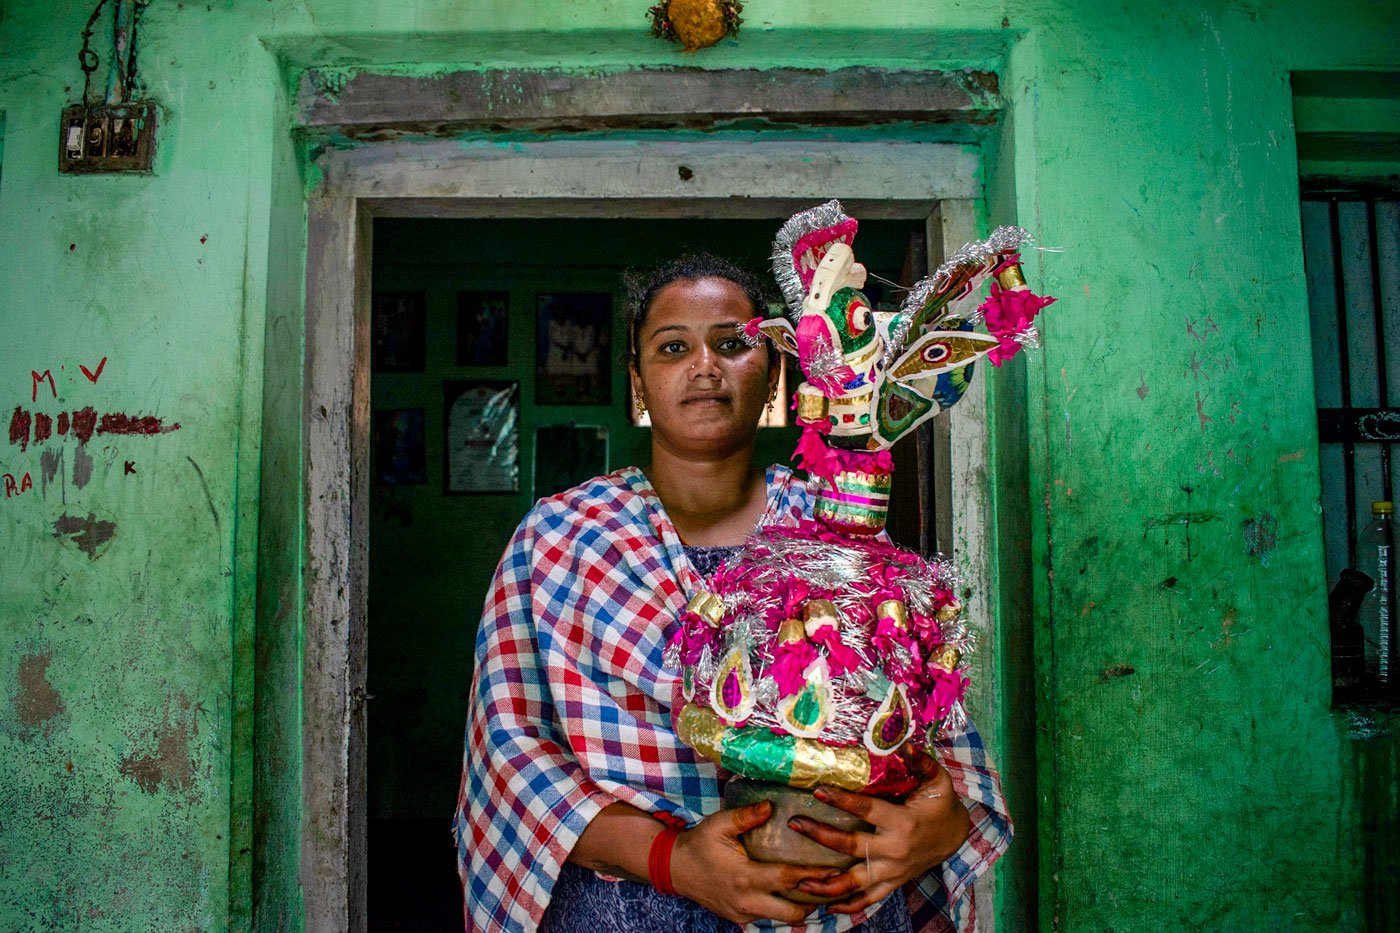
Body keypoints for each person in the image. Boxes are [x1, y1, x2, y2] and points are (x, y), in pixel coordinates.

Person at [455, 255, 1011, 932]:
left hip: (833, 910)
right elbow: (511, 753)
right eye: (672, 347)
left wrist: (931, 828)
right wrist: (674, 859)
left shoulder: (843, 528)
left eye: (731, 343)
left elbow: (932, 731)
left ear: (776, 370)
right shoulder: (558, 539)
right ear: (638, 381)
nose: (705, 366)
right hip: (625, 908)